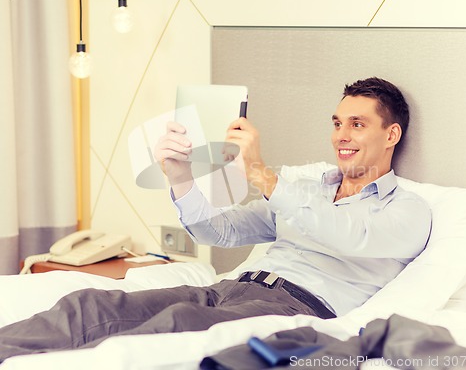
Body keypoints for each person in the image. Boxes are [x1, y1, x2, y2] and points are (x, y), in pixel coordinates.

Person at [0, 77, 431, 361]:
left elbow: (348, 236)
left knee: (174, 327)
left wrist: (262, 174)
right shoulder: (307, 187)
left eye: (357, 124)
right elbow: (218, 230)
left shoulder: (408, 209)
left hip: (295, 309)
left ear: (390, 134)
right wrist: (181, 177)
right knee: (92, 304)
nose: (341, 134)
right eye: (338, 122)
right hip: (230, 289)